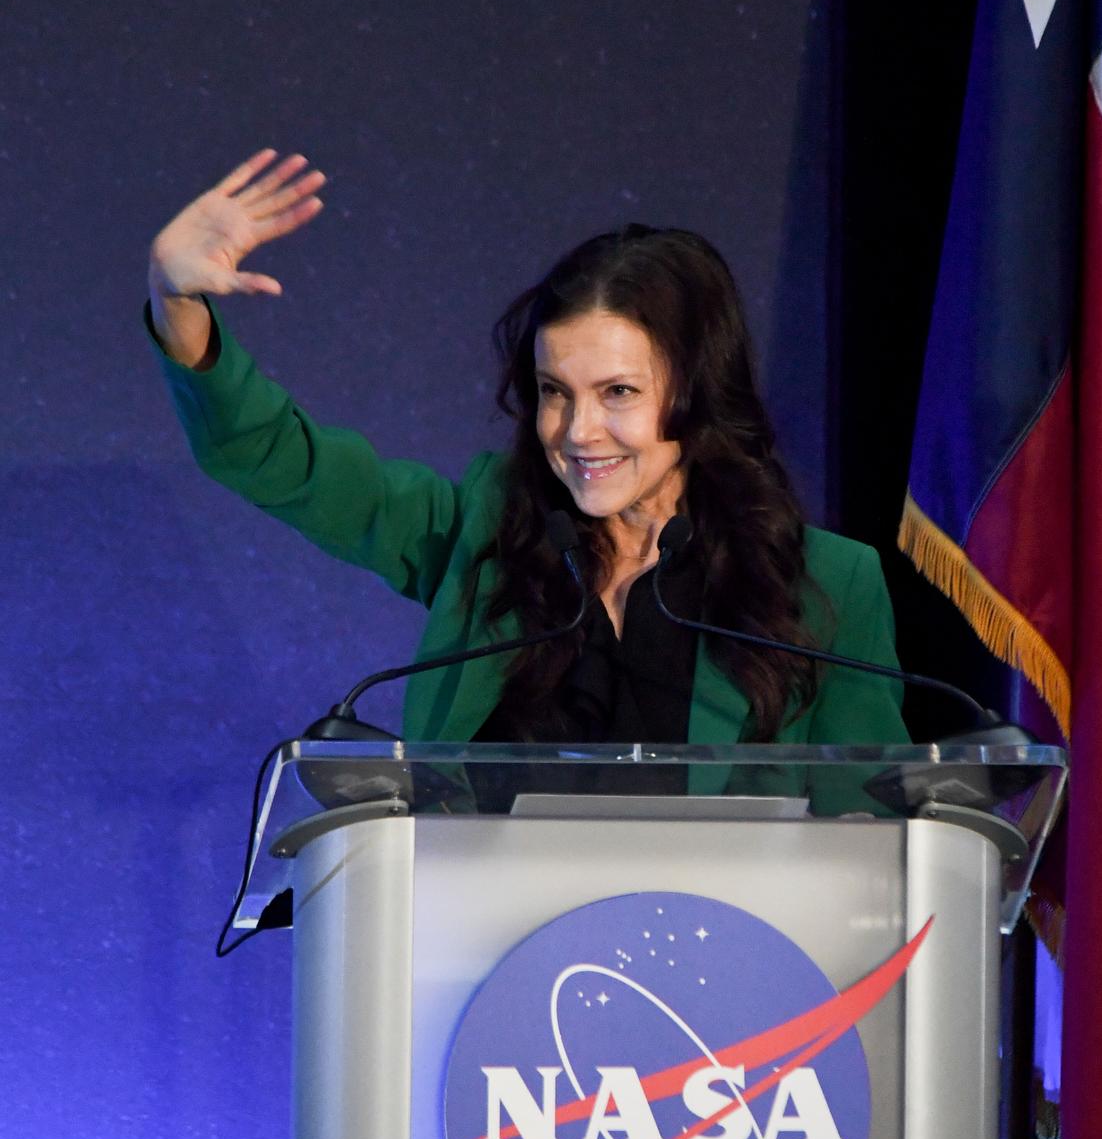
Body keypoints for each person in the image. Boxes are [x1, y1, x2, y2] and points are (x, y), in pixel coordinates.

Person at [147, 149, 909, 753]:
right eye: (553, 391)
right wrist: (176, 301)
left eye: (617, 393)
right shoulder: (483, 537)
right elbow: (278, 458)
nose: (577, 431)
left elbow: (873, 838)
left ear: (697, 393)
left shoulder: (828, 584)